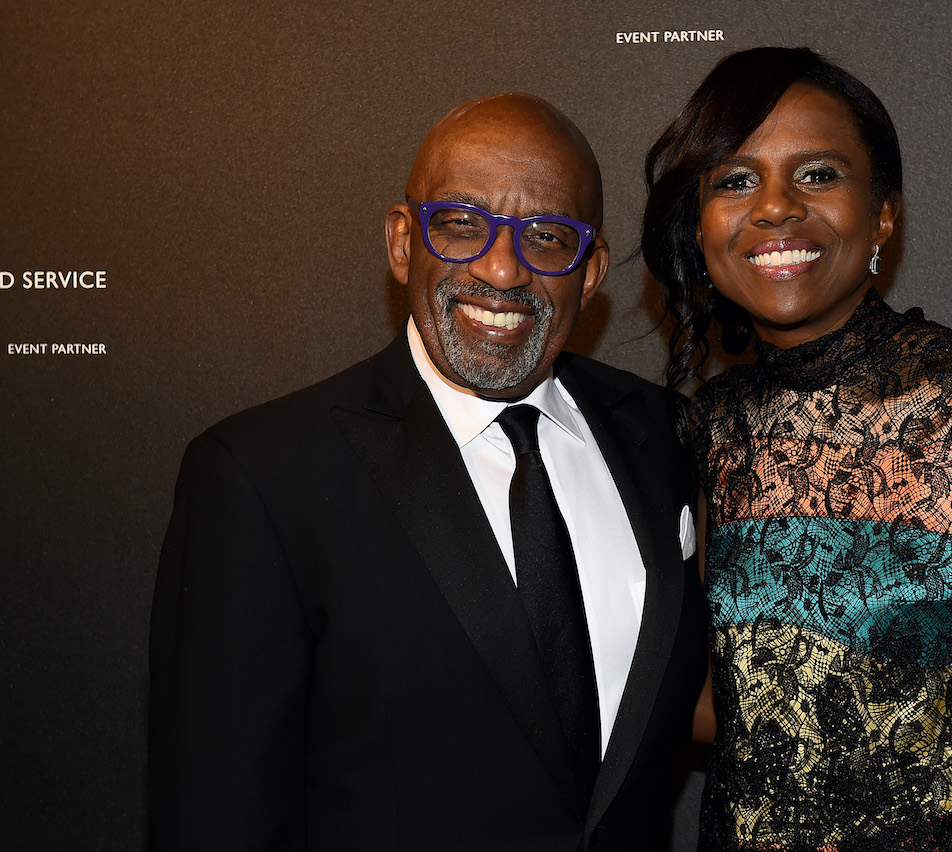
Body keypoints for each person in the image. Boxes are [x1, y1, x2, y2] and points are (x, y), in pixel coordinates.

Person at [149, 93, 706, 851]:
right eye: (462, 223)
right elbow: (217, 814)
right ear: (403, 241)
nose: (502, 269)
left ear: (592, 271)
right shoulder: (263, 476)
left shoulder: (663, 434)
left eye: (548, 237)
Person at [642, 47, 952, 851]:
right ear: (699, 230)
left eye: (817, 175)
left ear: (882, 215)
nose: (775, 207)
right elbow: (719, 704)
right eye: (735, 180)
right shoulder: (710, 429)